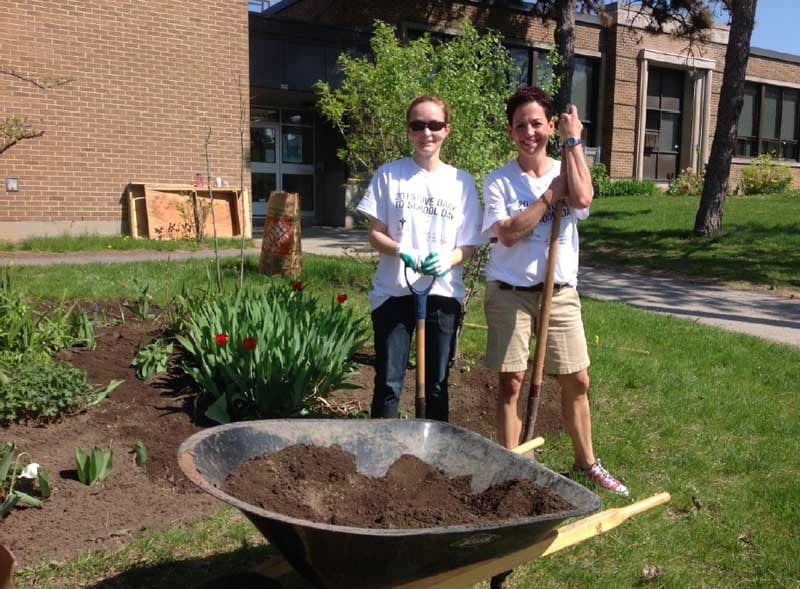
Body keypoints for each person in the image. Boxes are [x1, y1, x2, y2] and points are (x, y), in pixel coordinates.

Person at [481, 86, 628, 496]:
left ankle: (586, 463)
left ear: (550, 126)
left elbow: (582, 197)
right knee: (512, 381)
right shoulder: (498, 181)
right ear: (510, 132)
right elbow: (509, 233)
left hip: (559, 292)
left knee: (577, 379)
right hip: (510, 291)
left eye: (536, 123)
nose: (529, 132)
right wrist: (548, 196)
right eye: (520, 125)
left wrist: (573, 142)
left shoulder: (567, 164)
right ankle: (513, 466)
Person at [357, 95, 484, 422]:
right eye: (418, 125)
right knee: (388, 382)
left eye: (434, 125)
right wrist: (402, 251)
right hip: (393, 291)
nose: (426, 132)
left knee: (437, 386)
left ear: (447, 130)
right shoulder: (389, 175)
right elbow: (375, 233)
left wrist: (449, 259)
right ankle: (382, 455)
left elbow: (469, 244)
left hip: (442, 294)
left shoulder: (462, 182)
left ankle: (432, 457)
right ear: (408, 130)